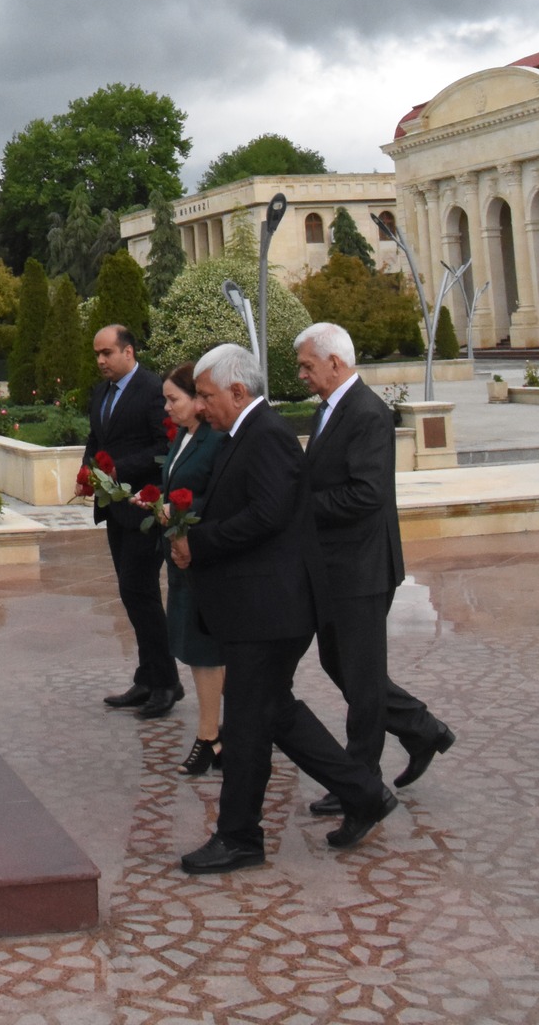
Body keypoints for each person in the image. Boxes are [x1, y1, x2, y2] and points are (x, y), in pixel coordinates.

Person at [170, 342, 396, 872]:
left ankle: (240, 837)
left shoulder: (265, 434)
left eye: (205, 396)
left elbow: (268, 515)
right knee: (273, 712)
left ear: (237, 391)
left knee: (248, 724)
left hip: (270, 609)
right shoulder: (241, 431)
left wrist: (199, 543)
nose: (199, 406)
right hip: (260, 608)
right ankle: (364, 792)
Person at [297, 321, 455, 810]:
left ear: (334, 363)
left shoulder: (367, 413)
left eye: (306, 365)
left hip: (362, 566)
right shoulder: (329, 408)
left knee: (361, 676)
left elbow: (366, 494)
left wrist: (298, 507)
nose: (301, 375)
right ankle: (422, 729)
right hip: (335, 566)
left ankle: (360, 781)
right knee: (340, 664)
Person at [84, 325, 179, 719]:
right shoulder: (101, 393)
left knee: (140, 591)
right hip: (115, 508)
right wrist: (88, 470)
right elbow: (97, 440)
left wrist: (119, 468)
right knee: (132, 593)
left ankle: (166, 683)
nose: (101, 360)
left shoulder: (153, 390)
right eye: (97, 354)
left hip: (145, 508)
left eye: (107, 353)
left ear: (128, 352)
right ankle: (148, 676)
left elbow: (166, 447)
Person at [154, 363, 225, 776]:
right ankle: (221, 733)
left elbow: (220, 496)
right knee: (196, 647)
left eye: (173, 399)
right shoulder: (184, 435)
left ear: (198, 399)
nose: (167, 408)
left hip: (204, 556)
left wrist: (181, 509)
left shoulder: (215, 439)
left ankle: (209, 737)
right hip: (181, 556)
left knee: (206, 650)